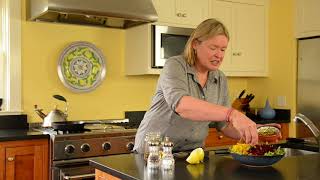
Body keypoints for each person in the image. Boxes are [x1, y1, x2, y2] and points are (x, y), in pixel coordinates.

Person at [133, 18, 279, 153]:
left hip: (191, 154)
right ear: (195, 44)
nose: (219, 55)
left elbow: (224, 125)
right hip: (153, 153)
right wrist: (232, 114)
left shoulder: (220, 78)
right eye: (213, 48)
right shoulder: (175, 65)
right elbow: (182, 106)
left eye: (223, 49)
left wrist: (253, 130)